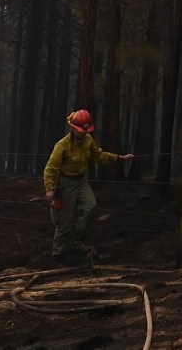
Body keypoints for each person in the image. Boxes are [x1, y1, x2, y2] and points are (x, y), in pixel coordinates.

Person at [43, 108, 134, 264]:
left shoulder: (89, 140)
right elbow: (50, 168)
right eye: (81, 131)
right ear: (73, 128)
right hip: (65, 184)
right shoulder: (62, 145)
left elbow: (99, 156)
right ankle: (58, 255)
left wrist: (119, 157)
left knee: (90, 206)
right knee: (64, 221)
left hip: (81, 181)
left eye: (86, 130)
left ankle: (77, 240)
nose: (83, 133)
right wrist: (50, 189)